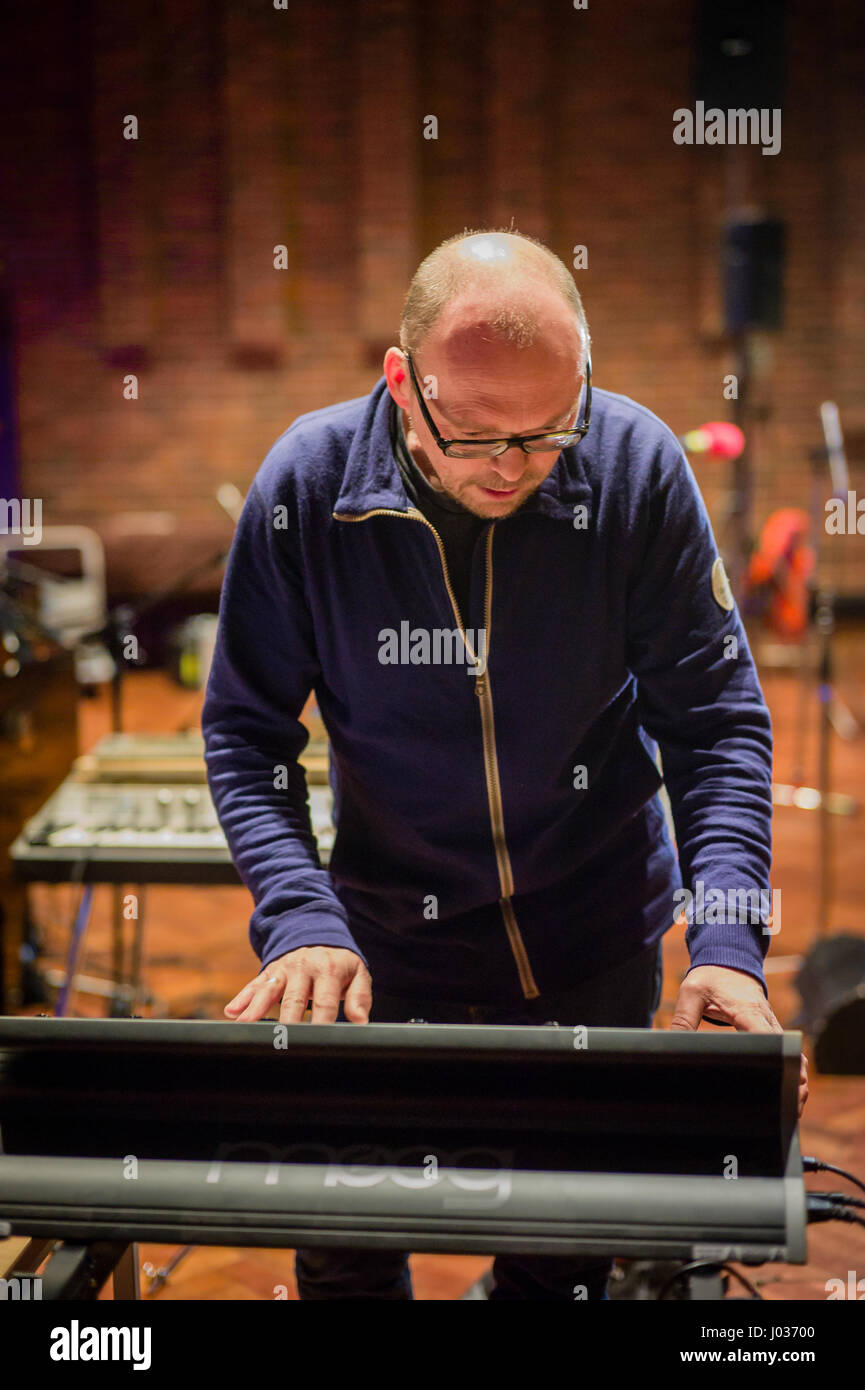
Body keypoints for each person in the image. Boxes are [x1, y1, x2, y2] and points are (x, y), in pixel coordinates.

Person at [201, 227, 808, 1301]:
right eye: (476, 433)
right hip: (384, 954)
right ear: (402, 382)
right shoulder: (307, 482)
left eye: (547, 429)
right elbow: (248, 736)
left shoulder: (632, 467)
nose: (514, 467)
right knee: (346, 1250)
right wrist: (298, 916)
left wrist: (724, 941)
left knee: (560, 1260)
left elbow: (715, 725)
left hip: (595, 937)